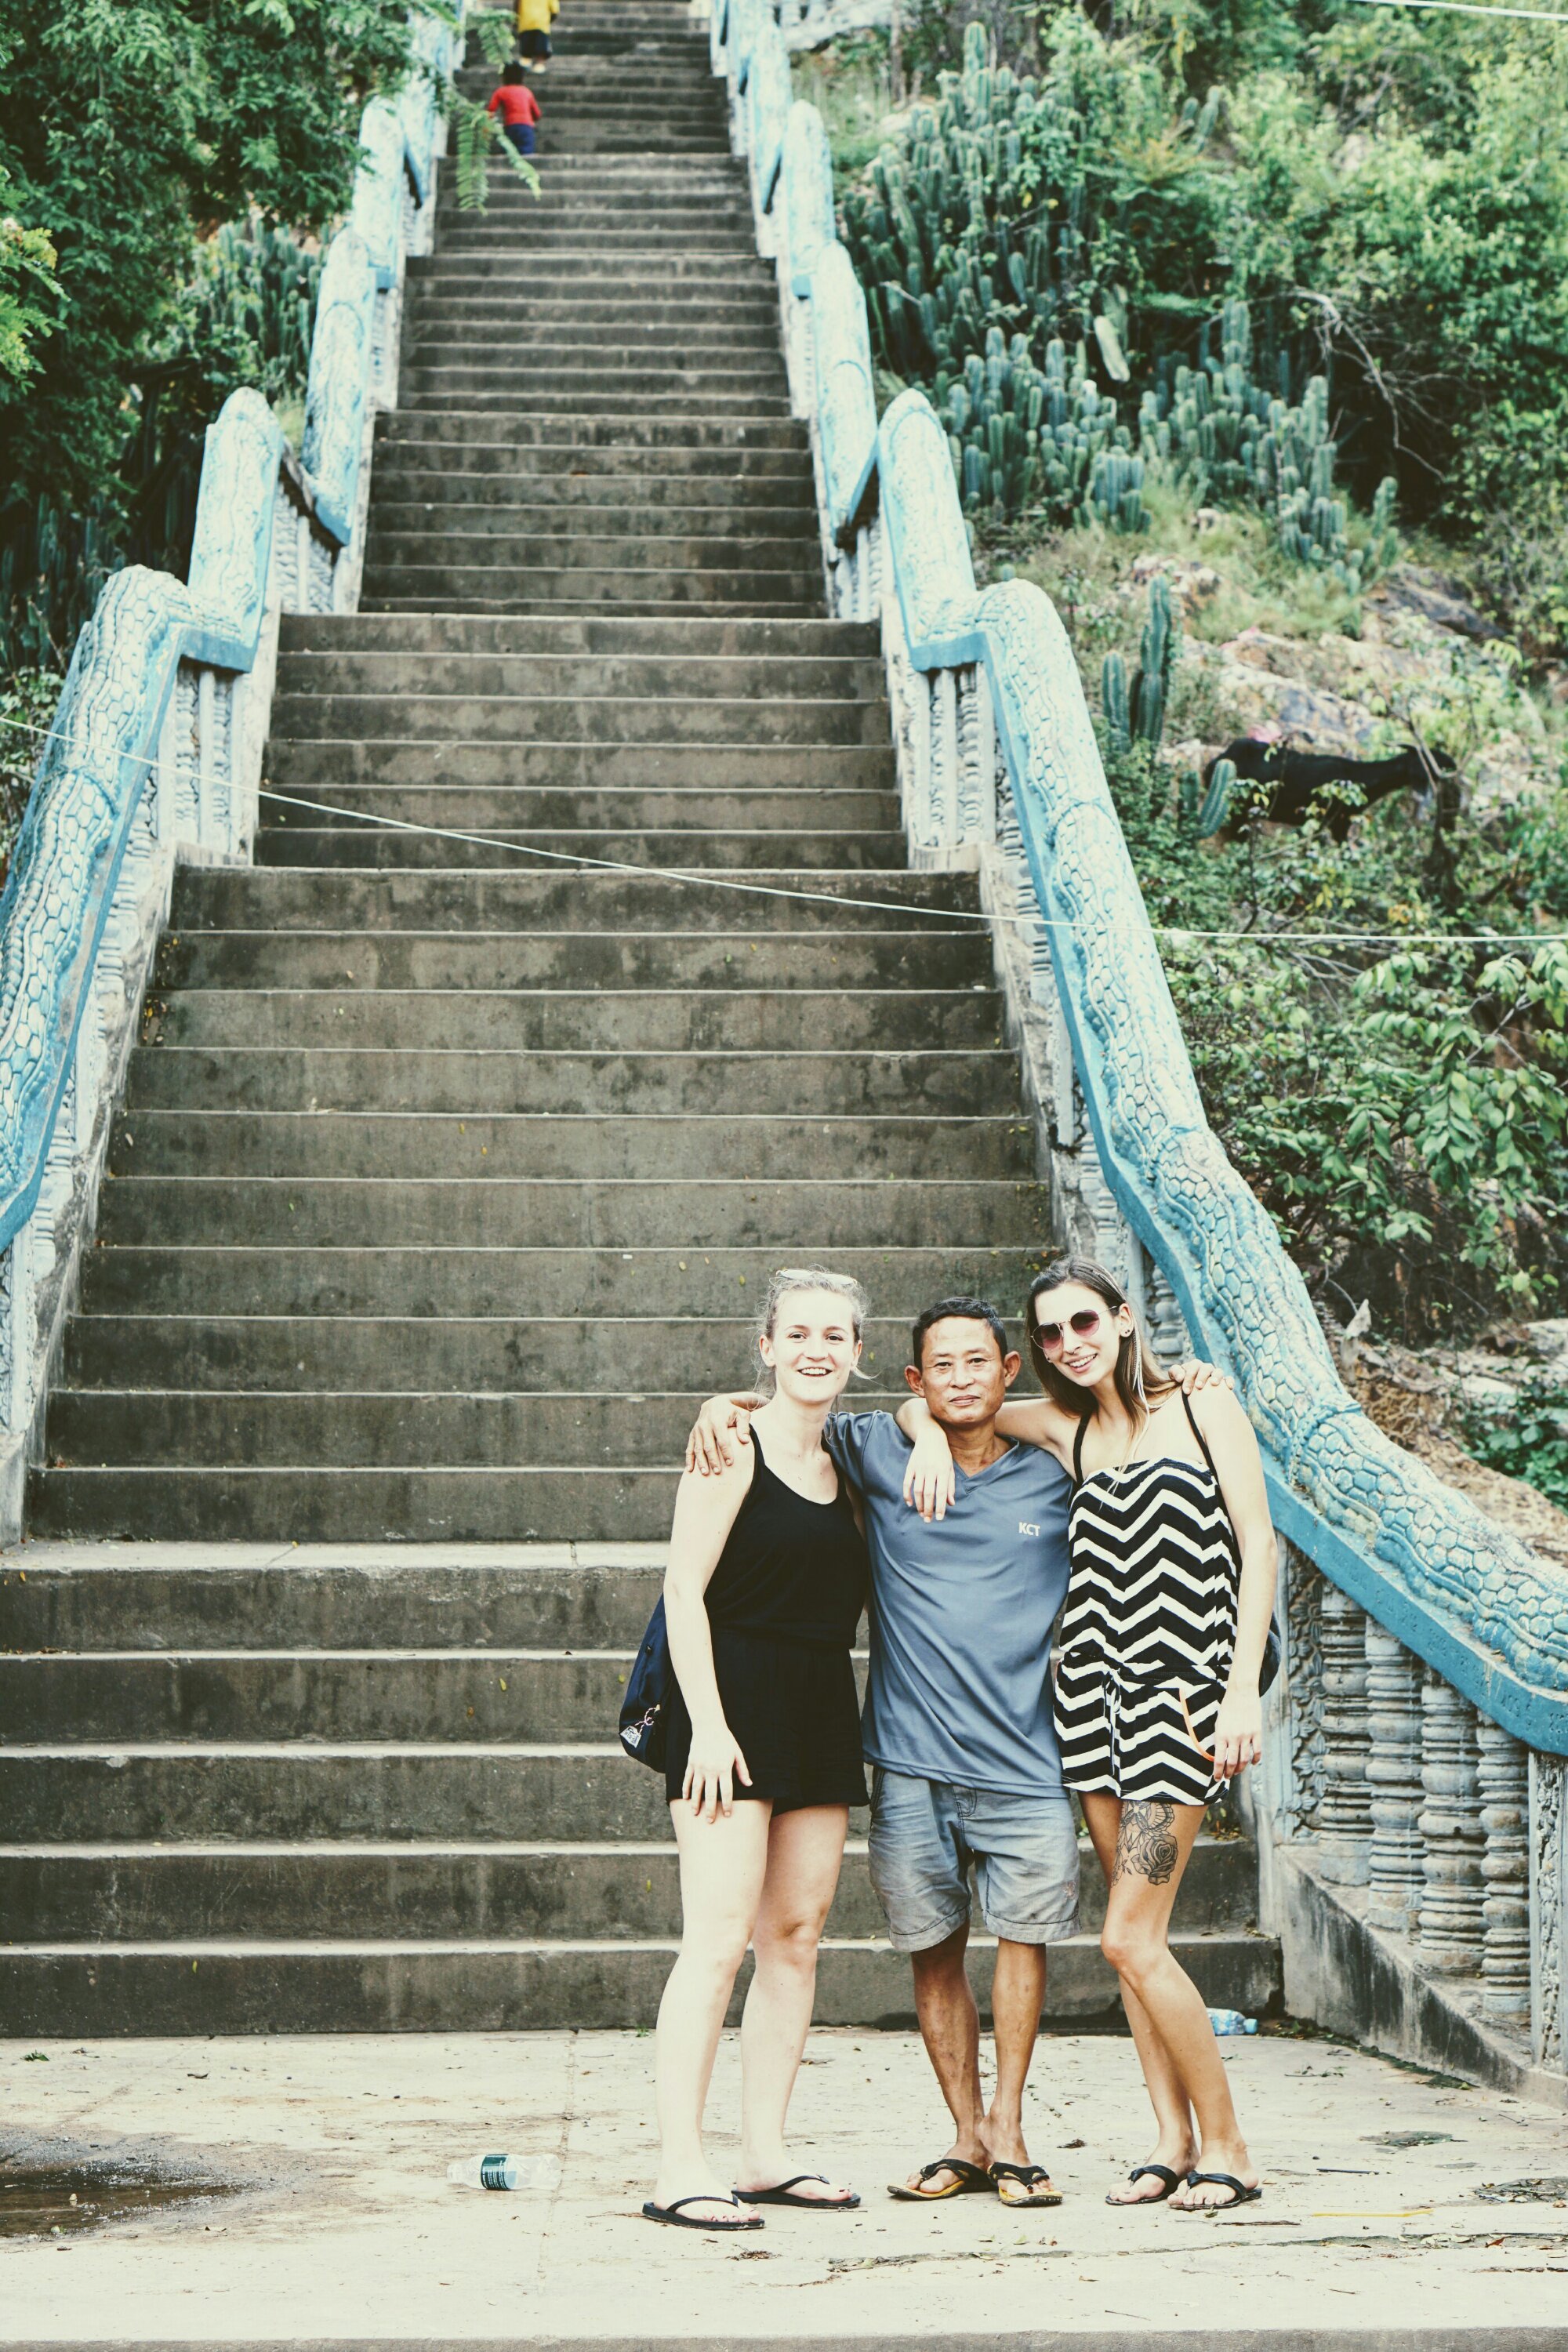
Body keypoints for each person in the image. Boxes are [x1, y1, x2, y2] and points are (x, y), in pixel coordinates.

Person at [688, 1295, 1230, 2212]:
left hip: (1028, 1760)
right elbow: (791, 1410)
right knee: (930, 1953)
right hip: (908, 1761)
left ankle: (1011, 2131)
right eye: (939, 1366)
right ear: (913, 1379)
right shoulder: (875, 1449)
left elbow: (1137, 1437)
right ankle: (965, 2136)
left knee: (1024, 1946)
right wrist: (721, 1405)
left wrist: (1185, 1380)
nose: (960, 1379)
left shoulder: (1055, 1464)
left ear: (1010, 1370)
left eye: (978, 1361)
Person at [901, 1256, 1276, 2214]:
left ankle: (1229, 2148)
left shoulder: (1200, 1409)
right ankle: (1169, 2142)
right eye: (1051, 1332)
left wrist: (1240, 1694)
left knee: (1127, 1938)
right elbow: (939, 1408)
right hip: (1087, 1710)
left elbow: (1259, 1545)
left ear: (1120, 1318)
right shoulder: (1064, 1428)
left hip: (1180, 1706)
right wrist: (924, 1432)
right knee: (1129, 1938)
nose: (1069, 1343)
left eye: (1084, 1322)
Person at [647, 1269, 871, 2234]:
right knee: (716, 1940)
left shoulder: (852, 1458)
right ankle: (676, 2167)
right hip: (727, 1705)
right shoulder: (730, 1445)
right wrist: (705, 1724)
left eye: (835, 1336)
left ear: (857, 1353)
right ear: (767, 1346)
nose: (817, 1350)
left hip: (818, 1703)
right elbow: (682, 1590)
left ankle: (763, 2155)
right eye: (799, 1334)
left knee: (795, 1938)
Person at [487, 60, 540, 157]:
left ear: (504, 77)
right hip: (527, 127)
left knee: (509, 152)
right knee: (527, 153)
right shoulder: (527, 92)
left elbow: (491, 111)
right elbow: (537, 114)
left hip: (510, 126)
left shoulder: (501, 91)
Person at [514, 0, 558, 69]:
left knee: (527, 46)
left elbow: (517, 6)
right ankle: (539, 63)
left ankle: (527, 61)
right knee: (541, 47)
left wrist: (516, 19)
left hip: (526, 20)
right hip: (541, 22)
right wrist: (548, 20)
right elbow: (555, 10)